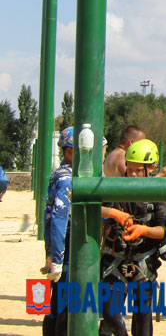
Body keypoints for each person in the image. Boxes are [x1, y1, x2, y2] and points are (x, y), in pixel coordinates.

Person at [99, 139, 166, 336]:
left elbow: (163, 231)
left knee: (142, 320)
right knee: (109, 313)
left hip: (143, 261)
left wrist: (143, 230)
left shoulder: (159, 193)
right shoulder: (117, 186)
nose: (134, 174)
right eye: (130, 169)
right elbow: (92, 207)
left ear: (152, 168)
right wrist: (115, 214)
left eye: (139, 170)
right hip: (115, 258)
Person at [42, 127, 73, 336]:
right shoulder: (67, 179)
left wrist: (50, 252)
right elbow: (59, 218)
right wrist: (59, 259)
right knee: (64, 306)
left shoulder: (58, 174)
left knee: (54, 303)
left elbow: (49, 217)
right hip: (67, 248)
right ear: (70, 151)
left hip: (57, 246)